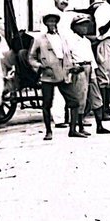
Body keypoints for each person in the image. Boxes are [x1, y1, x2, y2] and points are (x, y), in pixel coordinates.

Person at [54, 0, 110, 136]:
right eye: (81, 26)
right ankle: (78, 128)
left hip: (89, 68)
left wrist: (94, 71)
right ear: (75, 27)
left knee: (96, 98)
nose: (85, 28)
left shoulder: (86, 41)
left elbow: (91, 58)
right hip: (79, 70)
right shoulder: (70, 39)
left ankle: (100, 125)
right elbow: (68, 56)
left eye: (86, 25)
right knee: (80, 99)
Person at [28, 13, 71, 141]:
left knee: (72, 100)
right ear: (46, 23)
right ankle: (48, 131)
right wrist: (40, 66)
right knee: (47, 103)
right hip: (48, 75)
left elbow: (67, 54)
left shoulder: (62, 37)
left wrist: (69, 68)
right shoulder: (40, 39)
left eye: (54, 21)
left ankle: (74, 127)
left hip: (62, 72)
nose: (52, 24)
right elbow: (31, 57)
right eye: (49, 21)